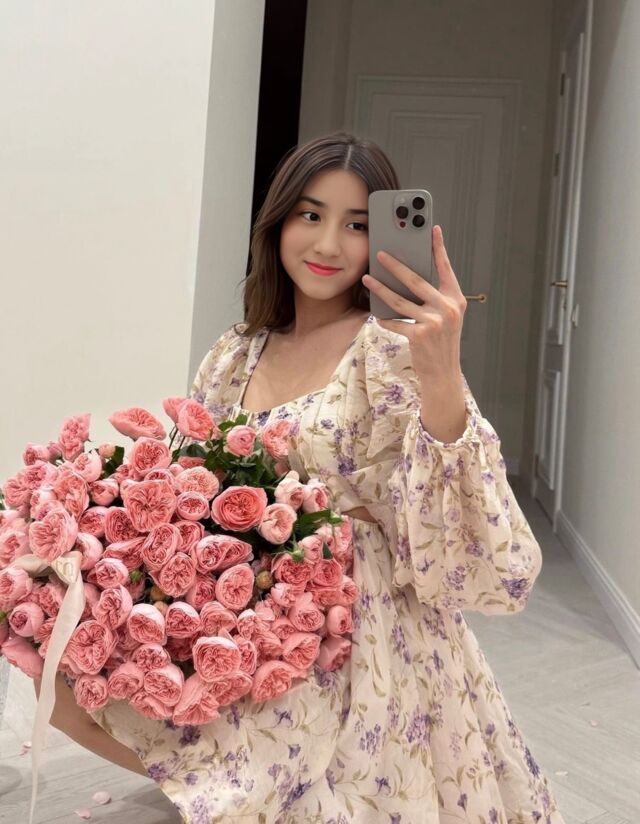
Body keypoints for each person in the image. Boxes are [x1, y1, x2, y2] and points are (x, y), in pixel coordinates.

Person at [41, 131, 565, 823]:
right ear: (278, 222)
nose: (327, 244)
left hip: (362, 630)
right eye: (310, 215)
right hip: (251, 611)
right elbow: (195, 484)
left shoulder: (391, 349)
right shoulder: (236, 352)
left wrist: (441, 371)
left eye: (357, 225)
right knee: (66, 685)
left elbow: (460, 533)